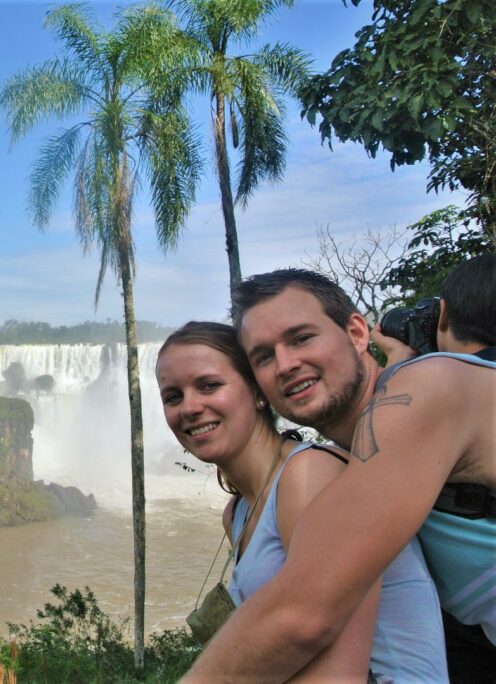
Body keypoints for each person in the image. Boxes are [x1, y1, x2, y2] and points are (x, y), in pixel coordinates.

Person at [184, 256, 496, 682]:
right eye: (263, 356)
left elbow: (305, 614)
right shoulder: (349, 458)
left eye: (301, 338)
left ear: (356, 332)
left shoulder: (427, 386)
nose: (286, 363)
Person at [157, 321, 446, 682]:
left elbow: (337, 670)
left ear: (257, 391)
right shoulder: (237, 512)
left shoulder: (310, 475)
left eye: (209, 386)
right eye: (173, 396)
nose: (190, 407)